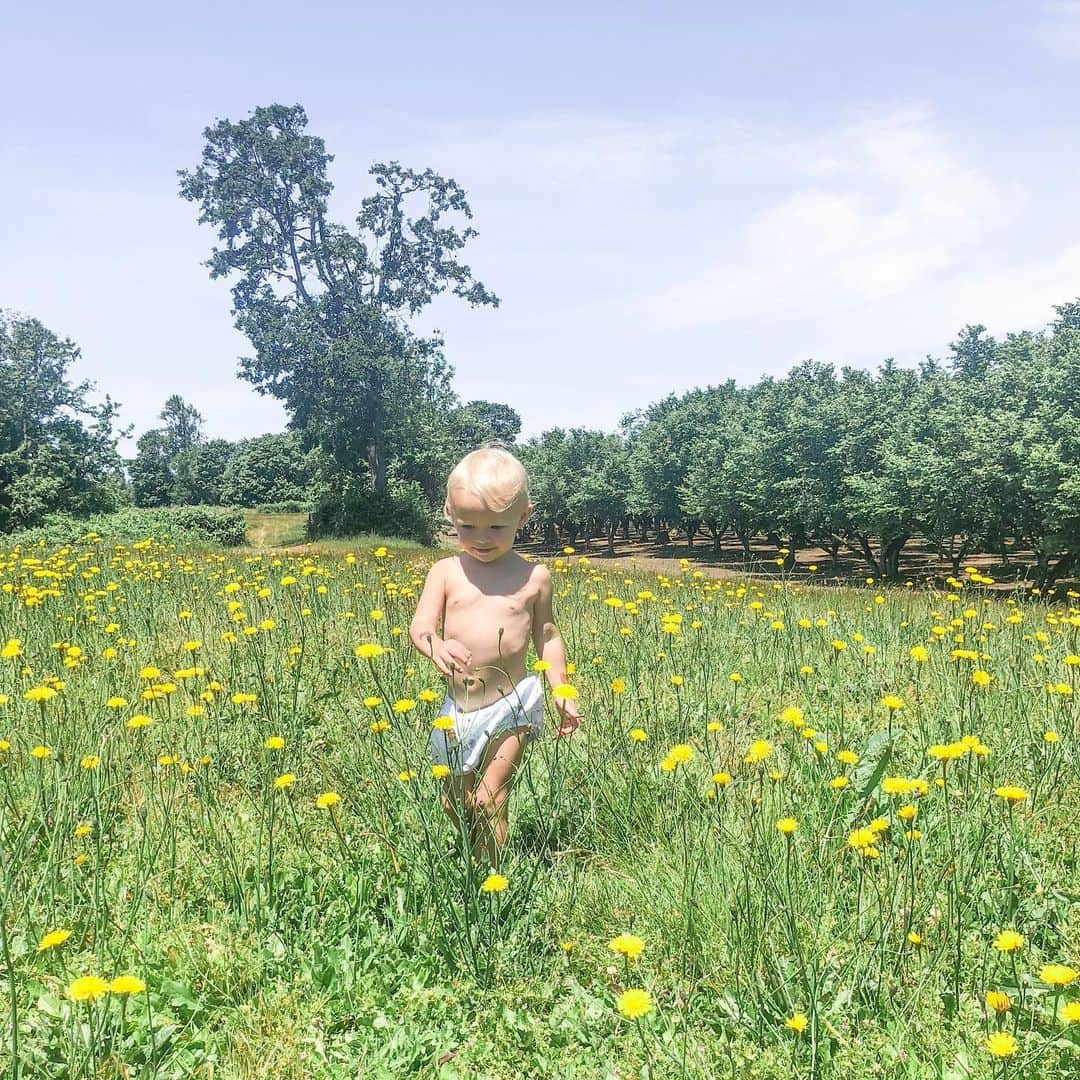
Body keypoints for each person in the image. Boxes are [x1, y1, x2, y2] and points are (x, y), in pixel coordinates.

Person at [409, 445, 581, 866]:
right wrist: (438, 647)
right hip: (458, 709)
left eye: (497, 528)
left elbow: (549, 636)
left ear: (523, 517)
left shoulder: (534, 577)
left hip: (513, 705)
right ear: (449, 512)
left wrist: (562, 690)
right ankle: (472, 859)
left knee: (489, 799)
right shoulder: (446, 572)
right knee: (455, 804)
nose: (481, 539)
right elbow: (420, 629)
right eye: (468, 526)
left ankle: (491, 884)